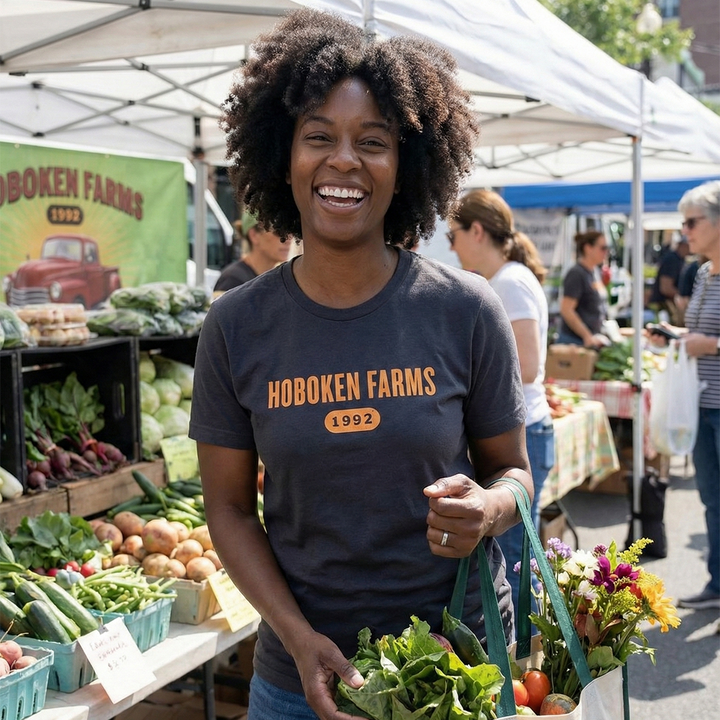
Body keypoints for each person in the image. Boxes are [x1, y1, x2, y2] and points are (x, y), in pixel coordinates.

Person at [189, 9, 532, 720]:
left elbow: (517, 473)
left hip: (458, 672)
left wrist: (490, 509)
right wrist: (296, 636)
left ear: (406, 164)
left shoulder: (466, 309)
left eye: (373, 142)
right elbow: (226, 506)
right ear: (283, 156)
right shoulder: (236, 324)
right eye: (319, 137)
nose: (344, 160)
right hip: (298, 680)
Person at [448, 190, 554, 615]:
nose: (451, 246)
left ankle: (523, 665)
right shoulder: (508, 279)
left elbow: (525, 366)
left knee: (510, 562)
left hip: (522, 432)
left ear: (477, 231)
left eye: (454, 235)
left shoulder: (509, 282)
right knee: (515, 555)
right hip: (527, 427)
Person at [648, 180, 719, 610]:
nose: (684, 230)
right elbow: (701, 332)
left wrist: (709, 345)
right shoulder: (706, 272)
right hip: (703, 404)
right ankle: (717, 585)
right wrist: (675, 337)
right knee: (711, 499)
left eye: (691, 221)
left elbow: (711, 339)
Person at [213, 209, 290, 292]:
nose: (288, 239)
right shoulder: (233, 280)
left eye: (290, 231)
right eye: (279, 232)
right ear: (254, 235)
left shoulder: (281, 279)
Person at [557, 230, 611, 348]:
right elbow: (567, 310)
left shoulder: (594, 271)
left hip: (591, 341)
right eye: (603, 248)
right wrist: (587, 336)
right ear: (588, 248)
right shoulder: (576, 274)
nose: (606, 252)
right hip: (575, 343)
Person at [649, 237, 691, 325]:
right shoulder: (672, 259)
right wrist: (681, 298)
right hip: (663, 304)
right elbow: (665, 288)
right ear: (682, 245)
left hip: (667, 304)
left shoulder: (680, 259)